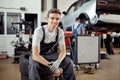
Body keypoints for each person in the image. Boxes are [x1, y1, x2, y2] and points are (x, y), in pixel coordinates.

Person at [29, 8, 76, 80]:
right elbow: (35, 55)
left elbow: (63, 51)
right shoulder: (39, 31)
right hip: (38, 54)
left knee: (69, 62)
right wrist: (52, 66)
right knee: (34, 65)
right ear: (47, 19)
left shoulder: (60, 32)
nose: (55, 21)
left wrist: (58, 62)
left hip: (50, 54)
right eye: (52, 18)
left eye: (57, 19)